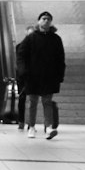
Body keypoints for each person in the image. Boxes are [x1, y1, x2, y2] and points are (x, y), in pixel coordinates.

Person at [23, 10, 65, 139]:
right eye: (43, 19)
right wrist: (23, 71)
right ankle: (31, 126)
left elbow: (60, 58)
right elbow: (22, 55)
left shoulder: (56, 39)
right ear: (38, 21)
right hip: (33, 75)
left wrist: (60, 75)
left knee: (47, 102)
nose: (46, 21)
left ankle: (48, 127)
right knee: (33, 102)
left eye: (48, 19)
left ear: (51, 22)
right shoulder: (31, 38)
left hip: (49, 76)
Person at [14, 24, 35, 128]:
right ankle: (21, 121)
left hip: (33, 75)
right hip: (22, 76)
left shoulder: (38, 47)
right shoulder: (19, 46)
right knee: (22, 98)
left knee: (32, 99)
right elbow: (19, 62)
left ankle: (30, 123)